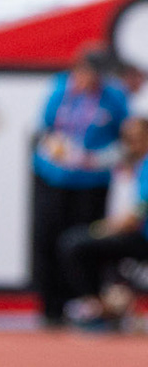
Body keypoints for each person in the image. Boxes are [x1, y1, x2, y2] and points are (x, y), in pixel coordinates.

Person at [31, 46, 131, 325]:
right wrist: (57, 151)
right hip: (54, 177)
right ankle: (51, 306)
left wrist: (95, 159)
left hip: (91, 182)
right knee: (48, 238)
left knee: (82, 241)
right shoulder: (60, 90)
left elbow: (126, 139)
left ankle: (85, 302)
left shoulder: (114, 96)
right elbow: (45, 129)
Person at [60, 116, 148, 327]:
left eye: (136, 138)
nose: (131, 143)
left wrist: (104, 229)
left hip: (140, 237)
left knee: (76, 244)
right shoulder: (129, 165)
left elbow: (136, 215)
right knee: (78, 242)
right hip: (130, 233)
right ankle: (100, 303)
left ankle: (97, 306)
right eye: (127, 138)